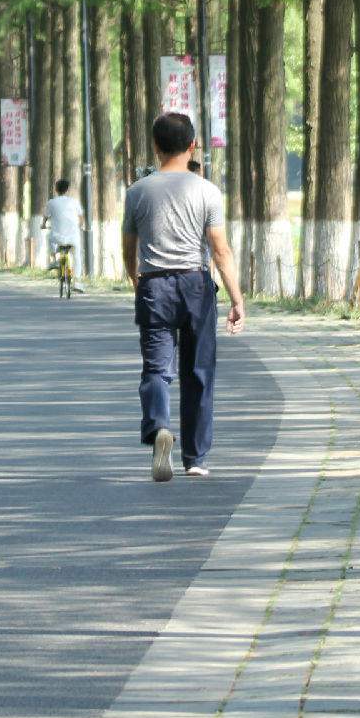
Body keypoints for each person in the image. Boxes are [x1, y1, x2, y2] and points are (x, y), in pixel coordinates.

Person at [122, 111, 244, 482]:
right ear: (192, 146)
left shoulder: (137, 191)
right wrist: (237, 299)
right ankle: (194, 457)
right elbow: (220, 250)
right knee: (198, 371)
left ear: (156, 147)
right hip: (195, 284)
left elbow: (129, 247)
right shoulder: (207, 191)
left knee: (157, 368)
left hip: (154, 286)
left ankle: (159, 425)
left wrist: (135, 279)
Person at [42, 178, 84, 293]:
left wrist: (43, 225)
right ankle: (77, 281)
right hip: (73, 237)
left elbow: (46, 216)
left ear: (56, 189)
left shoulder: (52, 202)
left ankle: (54, 259)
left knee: (49, 237)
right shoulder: (74, 202)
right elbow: (81, 217)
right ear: (67, 190)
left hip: (57, 236)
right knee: (76, 256)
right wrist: (82, 226)